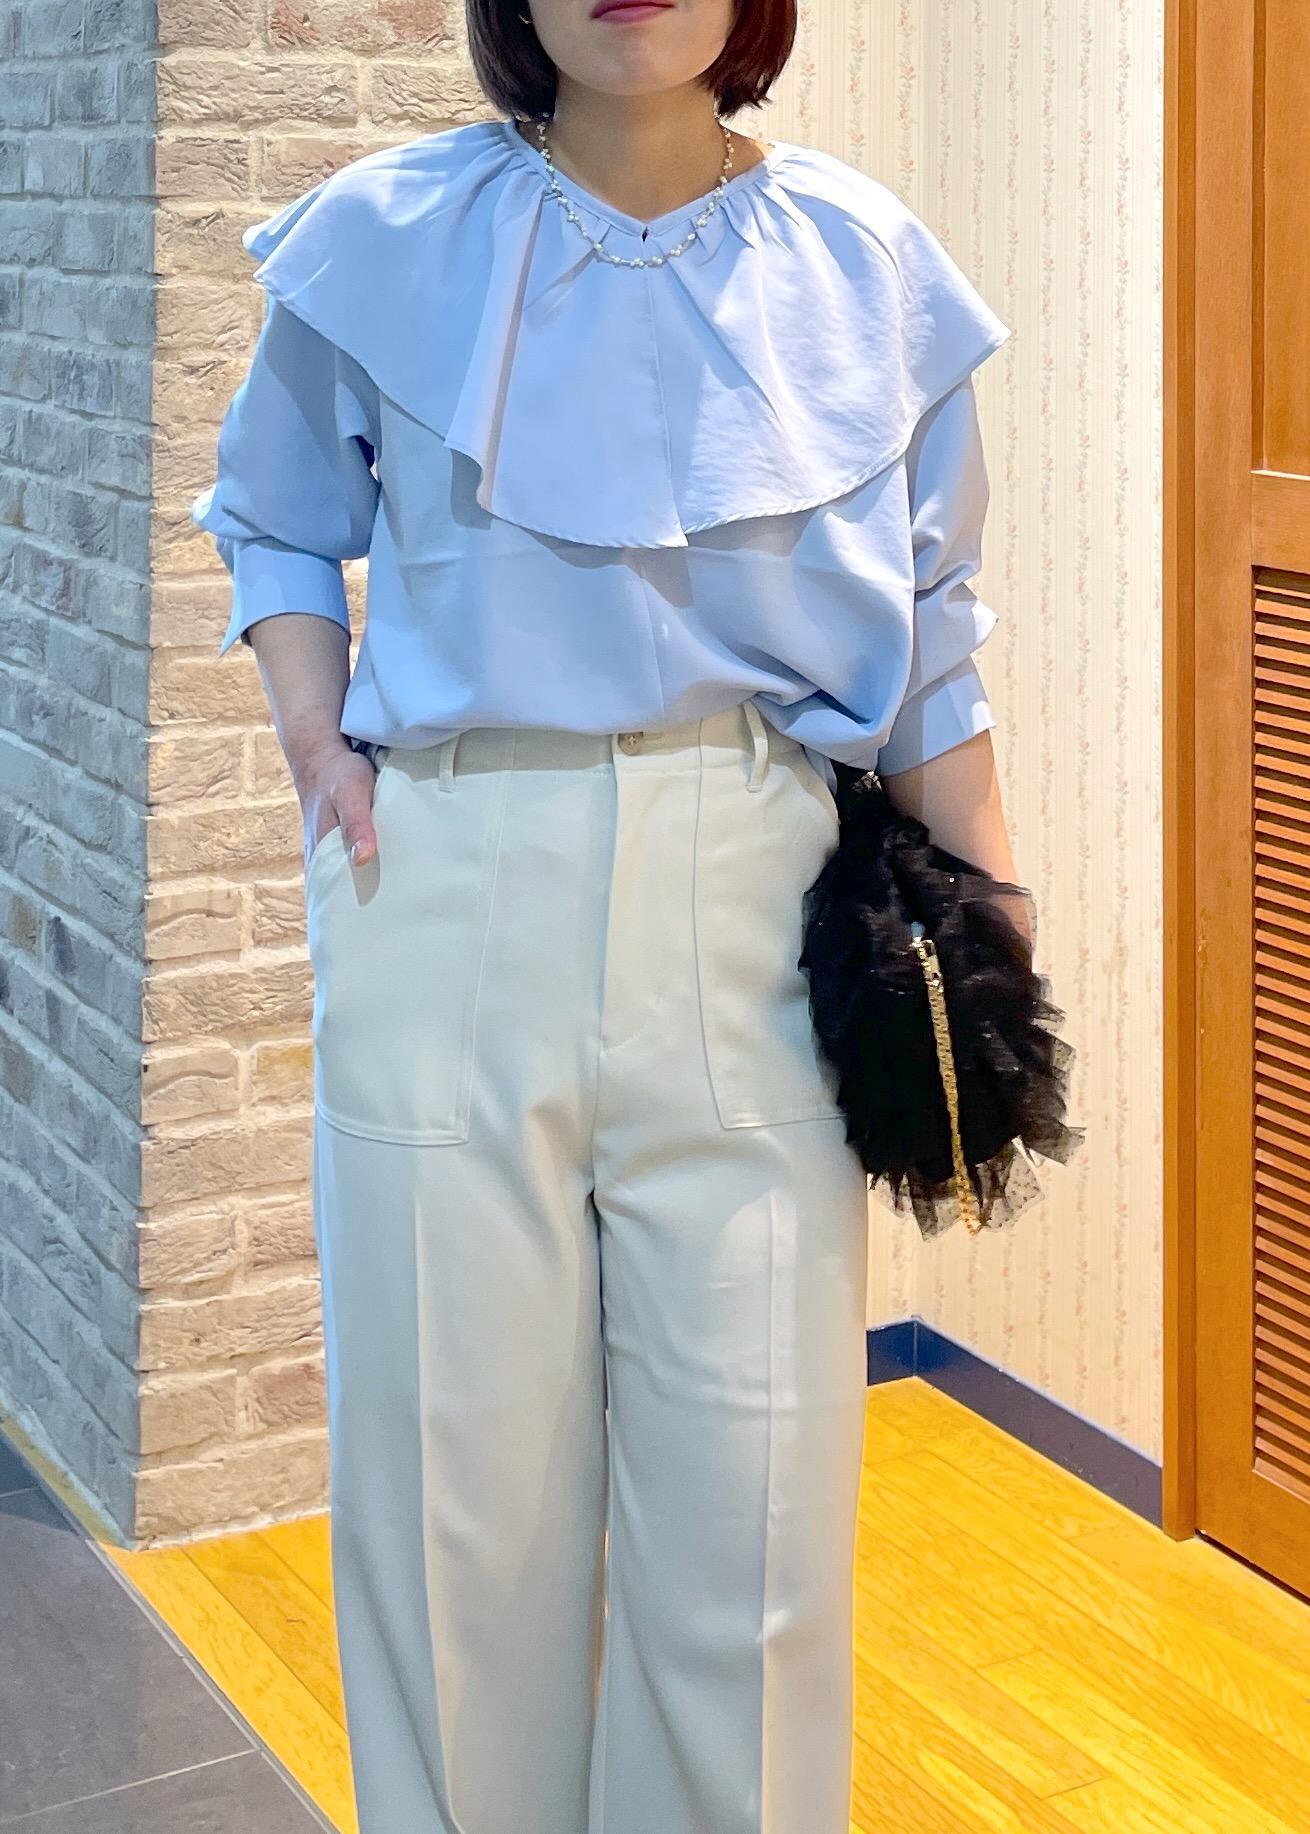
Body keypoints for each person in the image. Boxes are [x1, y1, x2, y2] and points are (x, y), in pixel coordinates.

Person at [193, 1, 1021, 1828]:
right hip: (450, 885)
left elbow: (933, 653)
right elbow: (273, 516)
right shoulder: (387, 233)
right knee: (449, 1516)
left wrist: (994, 969)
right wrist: (318, 751)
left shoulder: (867, 266)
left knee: (756, 1536)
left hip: (758, 904)